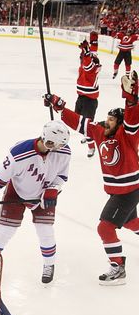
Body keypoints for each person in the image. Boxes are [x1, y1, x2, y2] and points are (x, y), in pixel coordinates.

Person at [44, 71, 139, 285]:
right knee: (132, 222)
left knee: (105, 228)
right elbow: (79, 122)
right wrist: (59, 106)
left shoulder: (129, 135)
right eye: (107, 118)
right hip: (118, 191)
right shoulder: (99, 131)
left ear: (120, 123)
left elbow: (134, 118)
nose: (107, 121)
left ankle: (118, 267)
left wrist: (132, 98)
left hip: (129, 190)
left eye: (112, 120)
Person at [0, 121, 71, 284]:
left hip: (44, 195)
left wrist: (53, 188)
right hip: (16, 193)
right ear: (44, 136)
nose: (54, 148)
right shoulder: (19, 153)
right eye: (51, 143)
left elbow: (62, 176)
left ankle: (49, 264)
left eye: (59, 145)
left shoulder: (64, 152)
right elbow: (0, 176)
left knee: (45, 231)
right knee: (4, 231)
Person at [76, 38, 101, 157]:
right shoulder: (86, 64)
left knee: (87, 125)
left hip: (89, 101)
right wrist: (84, 51)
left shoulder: (93, 68)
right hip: (81, 98)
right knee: (78, 120)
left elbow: (87, 64)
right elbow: (85, 61)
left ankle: (91, 146)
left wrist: (86, 52)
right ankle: (88, 135)